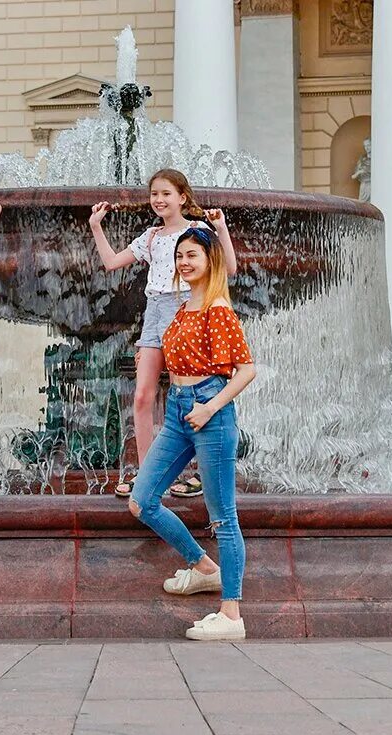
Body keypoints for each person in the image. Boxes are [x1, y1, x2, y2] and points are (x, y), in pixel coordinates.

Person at [129, 226, 257, 641]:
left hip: (210, 409)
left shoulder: (217, 308)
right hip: (180, 409)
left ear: (210, 261)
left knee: (223, 517)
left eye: (192, 256)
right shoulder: (185, 307)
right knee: (142, 501)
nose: (184, 263)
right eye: (180, 256)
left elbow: (247, 369)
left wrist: (211, 406)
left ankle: (232, 615)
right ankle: (204, 567)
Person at [90, 169, 238, 501]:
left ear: (182, 197)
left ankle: (199, 472)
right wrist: (96, 227)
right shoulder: (152, 236)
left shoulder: (197, 231)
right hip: (154, 311)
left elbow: (229, 268)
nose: (159, 199)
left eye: (166, 193)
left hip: (185, 306)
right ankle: (148, 474)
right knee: (143, 396)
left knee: (190, 393)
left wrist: (222, 229)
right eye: (155, 194)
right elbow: (113, 262)